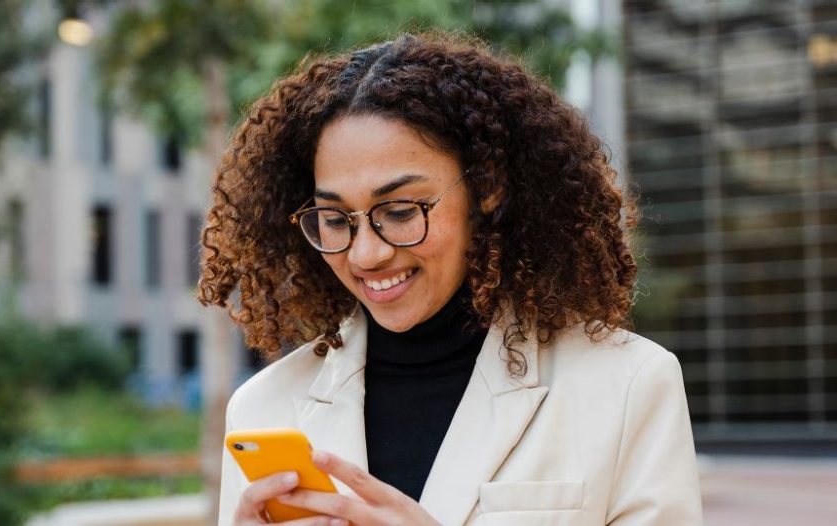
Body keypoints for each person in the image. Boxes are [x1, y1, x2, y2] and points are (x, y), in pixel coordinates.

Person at [199, 32, 702, 526]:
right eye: (335, 220)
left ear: (488, 189)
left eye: (399, 210)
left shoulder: (629, 385)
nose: (365, 254)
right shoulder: (265, 408)